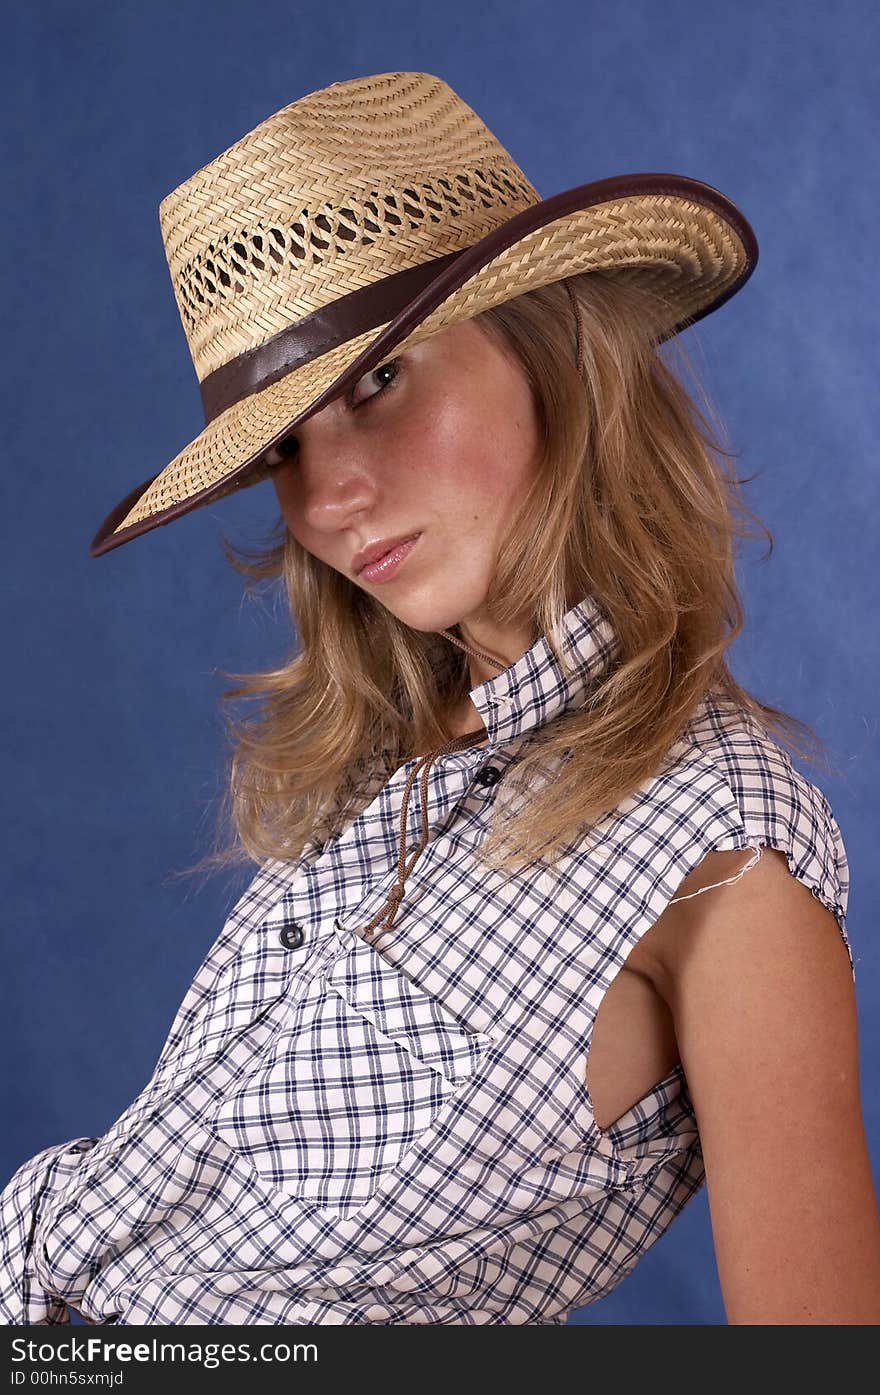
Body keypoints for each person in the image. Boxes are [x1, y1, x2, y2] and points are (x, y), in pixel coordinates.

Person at [2, 70, 879, 1327]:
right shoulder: (378, 771)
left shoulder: (723, 853)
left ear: (549, 346)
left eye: (378, 380)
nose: (329, 498)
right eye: (281, 448)